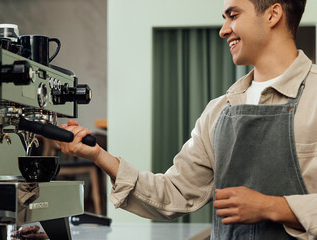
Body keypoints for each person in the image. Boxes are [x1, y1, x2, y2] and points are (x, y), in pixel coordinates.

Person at [56, 0, 317, 239]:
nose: (224, 30)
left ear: (273, 14)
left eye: (233, 16)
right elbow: (174, 194)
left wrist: (274, 207)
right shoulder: (218, 111)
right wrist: (100, 156)